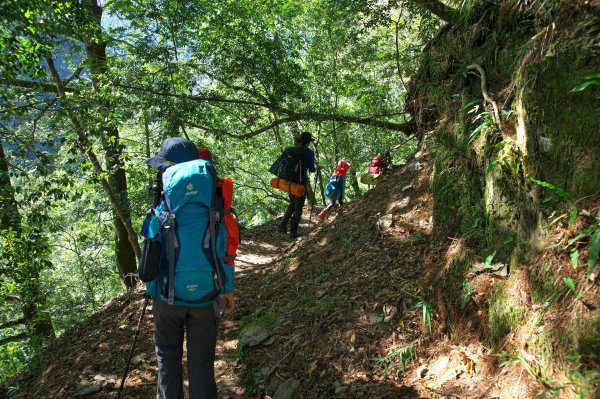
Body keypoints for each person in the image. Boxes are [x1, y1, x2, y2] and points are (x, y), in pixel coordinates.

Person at [144, 137, 235, 399]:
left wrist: (151, 288)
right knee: (201, 364)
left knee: (168, 360)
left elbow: (151, 244)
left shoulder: (162, 202)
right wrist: (227, 288)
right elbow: (225, 246)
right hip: (206, 296)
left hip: (167, 296)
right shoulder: (213, 199)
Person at [277, 131, 318, 238]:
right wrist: (317, 168)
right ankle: (293, 232)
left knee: (292, 203)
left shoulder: (289, 150)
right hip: (300, 183)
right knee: (298, 207)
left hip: (287, 182)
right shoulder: (309, 153)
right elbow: (312, 170)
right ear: (308, 142)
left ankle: (282, 224)